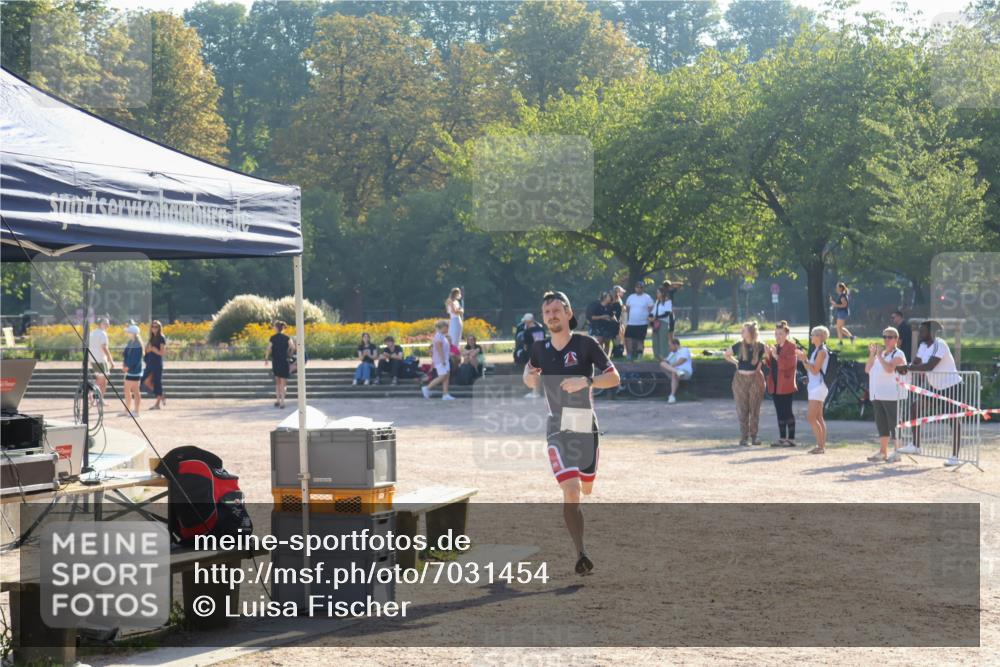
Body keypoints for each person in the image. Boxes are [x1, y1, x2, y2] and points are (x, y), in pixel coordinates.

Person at [522, 291, 620, 575]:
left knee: (587, 486)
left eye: (556, 310)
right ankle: (581, 553)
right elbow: (528, 375)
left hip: (584, 423)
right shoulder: (539, 348)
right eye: (547, 312)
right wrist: (529, 378)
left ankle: (587, 482)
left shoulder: (586, 344)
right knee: (571, 489)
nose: (551, 315)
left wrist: (586, 381)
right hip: (557, 425)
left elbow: (614, 377)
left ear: (568, 313)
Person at [894, 321, 963, 466]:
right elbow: (916, 363)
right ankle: (916, 445)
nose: (920, 334)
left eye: (923, 331)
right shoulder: (923, 346)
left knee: (952, 419)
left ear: (931, 332)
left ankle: (955, 456)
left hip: (951, 386)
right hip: (935, 386)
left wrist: (907, 367)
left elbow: (930, 366)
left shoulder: (940, 344)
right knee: (915, 407)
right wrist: (906, 368)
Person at [865, 327, 907, 462]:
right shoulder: (881, 354)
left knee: (895, 424)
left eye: (890, 337)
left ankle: (897, 452)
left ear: (896, 339)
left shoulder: (898, 354)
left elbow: (889, 369)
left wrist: (878, 356)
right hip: (877, 394)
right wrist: (872, 354)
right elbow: (867, 369)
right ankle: (883, 452)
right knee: (881, 424)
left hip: (892, 395)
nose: (886, 340)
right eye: (884, 337)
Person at [723, 322, 766, 446]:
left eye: (744, 330)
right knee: (742, 409)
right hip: (740, 379)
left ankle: (754, 436)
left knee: (754, 408)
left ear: (751, 332)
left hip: (755, 378)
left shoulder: (760, 346)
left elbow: (766, 356)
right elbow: (726, 354)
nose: (741, 332)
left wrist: (760, 363)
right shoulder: (738, 345)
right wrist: (736, 362)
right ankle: (744, 437)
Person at [796, 326, 830, 454]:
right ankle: (821, 446)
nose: (811, 336)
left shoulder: (822, 352)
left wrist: (805, 360)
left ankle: (820, 447)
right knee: (818, 417)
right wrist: (803, 359)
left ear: (820, 337)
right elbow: (810, 368)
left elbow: (815, 370)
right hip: (815, 386)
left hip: (818, 387)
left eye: (813, 334)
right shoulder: (817, 350)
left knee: (811, 418)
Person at [765, 320, 798, 447]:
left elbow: (789, 365)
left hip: (786, 384)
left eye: (780, 334)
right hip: (775, 384)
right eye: (776, 334)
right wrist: (768, 355)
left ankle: (792, 439)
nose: (778, 336)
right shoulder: (776, 347)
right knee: (779, 412)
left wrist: (776, 356)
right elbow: (771, 365)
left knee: (787, 411)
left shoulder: (791, 347)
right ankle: (782, 438)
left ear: (786, 334)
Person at [422, 320, 455, 400]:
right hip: (440, 360)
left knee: (446, 376)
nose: (448, 329)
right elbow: (439, 349)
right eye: (447, 327)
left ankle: (445, 394)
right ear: (443, 327)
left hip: (445, 359)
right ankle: (427, 388)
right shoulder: (438, 336)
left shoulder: (442, 336)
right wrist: (443, 360)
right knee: (443, 376)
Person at [265, 320, 295, 408]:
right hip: (284, 361)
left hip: (276, 361)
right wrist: (289, 353)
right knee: (283, 383)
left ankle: (277, 400)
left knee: (277, 382)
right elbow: (292, 347)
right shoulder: (287, 337)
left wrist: (266, 358)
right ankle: (282, 402)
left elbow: (268, 348)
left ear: (277, 328)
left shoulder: (273, 338)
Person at [623, 281, 654, 360]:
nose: (639, 289)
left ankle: (640, 354)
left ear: (643, 288)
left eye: (641, 287)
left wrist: (650, 320)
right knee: (628, 338)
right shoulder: (631, 297)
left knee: (640, 339)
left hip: (642, 323)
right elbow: (627, 309)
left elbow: (651, 309)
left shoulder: (647, 297)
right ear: (635, 288)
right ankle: (629, 354)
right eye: (637, 287)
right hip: (631, 323)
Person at [141, 320, 167, 410]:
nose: (154, 328)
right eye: (152, 326)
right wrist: (148, 350)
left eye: (156, 327)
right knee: (145, 381)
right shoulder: (151, 338)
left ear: (159, 328)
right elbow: (146, 350)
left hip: (157, 363)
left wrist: (153, 349)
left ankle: (157, 404)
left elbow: (162, 352)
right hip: (149, 363)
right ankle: (161, 395)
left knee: (157, 382)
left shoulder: (161, 338)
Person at [659, 338, 693, 404]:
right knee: (662, 364)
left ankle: (672, 396)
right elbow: (667, 362)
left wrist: (671, 366)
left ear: (676, 345)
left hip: (685, 372)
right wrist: (663, 360)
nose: (669, 348)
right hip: (676, 372)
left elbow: (682, 361)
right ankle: (677, 372)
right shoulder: (672, 353)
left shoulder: (685, 350)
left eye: (670, 346)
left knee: (674, 373)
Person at [87, 317, 113, 400]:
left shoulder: (92, 333)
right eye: (105, 323)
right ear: (100, 324)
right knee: (102, 380)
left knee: (102, 379)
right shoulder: (102, 334)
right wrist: (111, 360)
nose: (107, 325)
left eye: (108, 323)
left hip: (93, 359)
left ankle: (98, 398)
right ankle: (92, 395)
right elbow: (104, 347)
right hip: (101, 360)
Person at [121, 324, 143, 416]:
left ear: (133, 333)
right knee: (127, 390)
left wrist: (128, 366)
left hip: (135, 371)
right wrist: (124, 364)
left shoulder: (138, 344)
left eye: (129, 332)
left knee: (135, 391)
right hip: (130, 370)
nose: (128, 333)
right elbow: (126, 354)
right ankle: (127, 410)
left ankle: (136, 411)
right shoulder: (130, 342)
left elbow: (136, 359)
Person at [650, 286, 673, 361]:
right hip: (655, 323)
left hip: (663, 323)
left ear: (663, 293)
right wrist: (650, 316)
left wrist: (656, 317)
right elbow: (653, 312)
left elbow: (667, 313)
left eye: (658, 293)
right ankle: (657, 357)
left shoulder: (668, 301)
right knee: (655, 340)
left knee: (663, 340)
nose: (657, 294)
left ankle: (665, 357)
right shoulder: (657, 302)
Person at [658, 279, 683, 345]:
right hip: (665, 313)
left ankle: (671, 345)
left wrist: (670, 284)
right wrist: (671, 284)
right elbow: (680, 285)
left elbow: (680, 285)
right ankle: (669, 345)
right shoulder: (663, 292)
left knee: (670, 331)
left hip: (668, 313)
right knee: (668, 332)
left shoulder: (669, 291)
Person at [608, 285, 625, 358]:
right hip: (613, 323)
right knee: (615, 339)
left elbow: (618, 315)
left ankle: (617, 353)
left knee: (617, 339)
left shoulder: (618, 302)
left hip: (617, 323)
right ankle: (616, 353)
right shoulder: (613, 303)